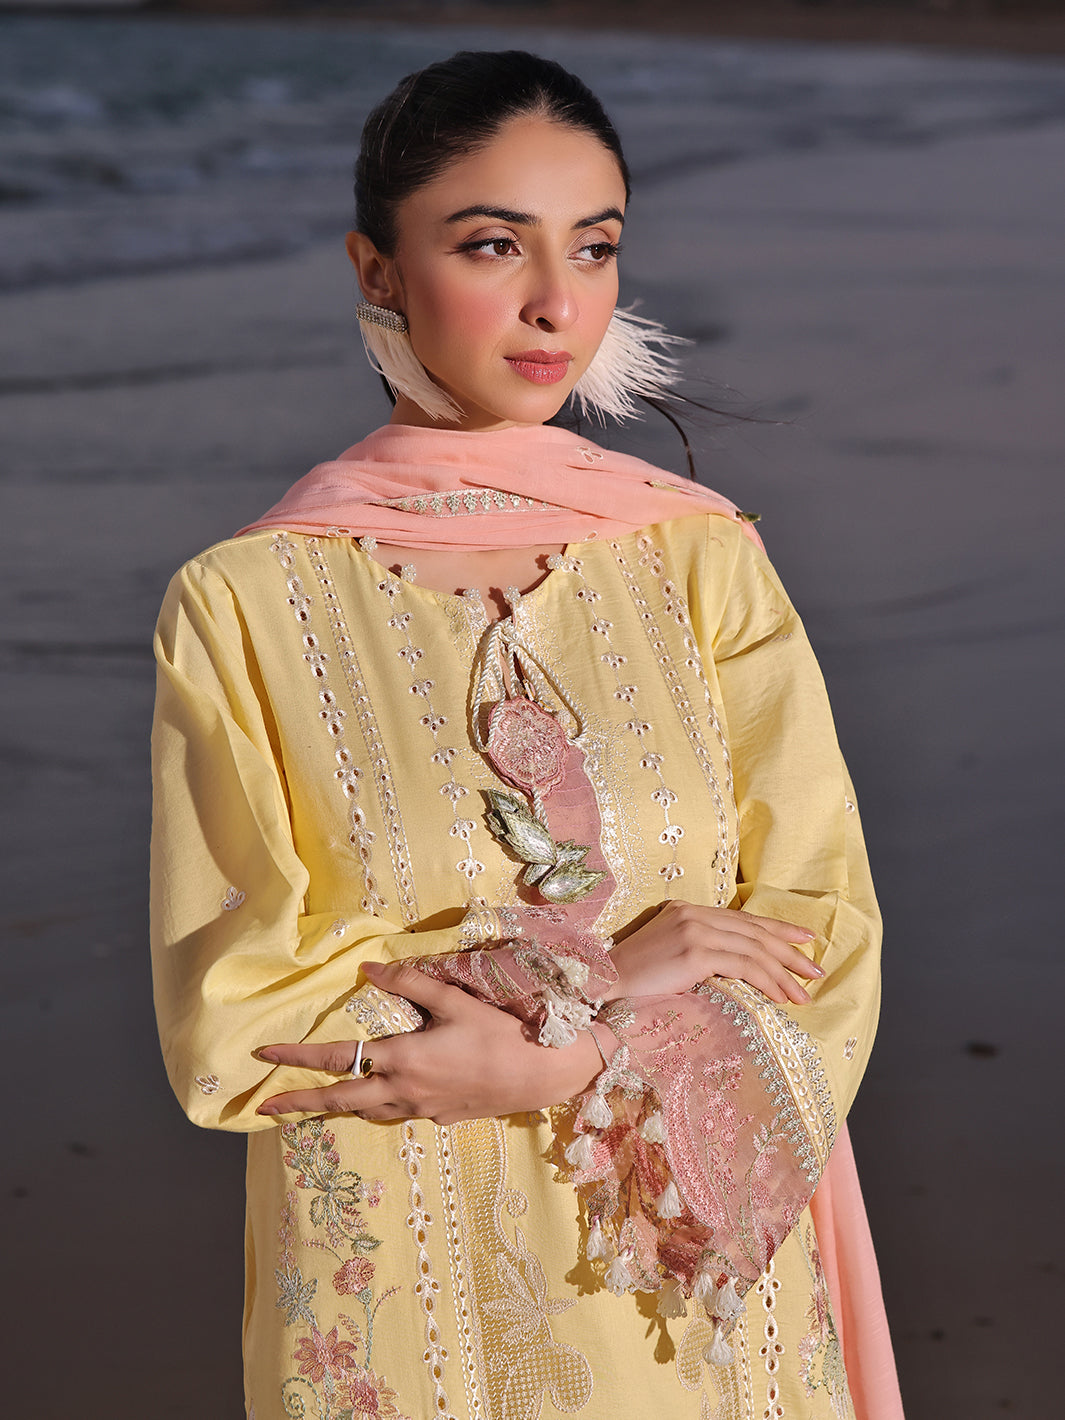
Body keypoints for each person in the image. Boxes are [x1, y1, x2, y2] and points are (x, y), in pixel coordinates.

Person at [151, 50, 904, 1420]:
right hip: (406, 1304)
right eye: (493, 245)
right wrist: (594, 987)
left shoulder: (699, 564)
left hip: (697, 1305)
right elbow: (230, 1024)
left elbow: (822, 940)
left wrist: (569, 1052)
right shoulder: (245, 603)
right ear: (378, 271)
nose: (559, 301)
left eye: (594, 248)